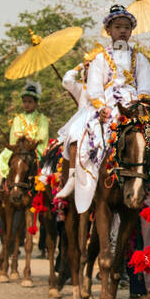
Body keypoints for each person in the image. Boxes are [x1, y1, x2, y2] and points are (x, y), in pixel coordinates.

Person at [68, 6, 150, 213]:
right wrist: (102, 108)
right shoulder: (99, 58)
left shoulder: (140, 58)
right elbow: (95, 89)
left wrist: (140, 105)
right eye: (118, 27)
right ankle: (78, 178)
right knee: (76, 132)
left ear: (131, 31)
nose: (122, 31)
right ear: (109, 30)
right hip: (105, 104)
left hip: (134, 105)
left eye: (126, 27)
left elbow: (146, 87)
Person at [0, 80, 50, 180]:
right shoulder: (17, 119)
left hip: (35, 146)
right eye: (24, 102)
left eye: (30, 102)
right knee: (4, 155)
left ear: (36, 103)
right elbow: (15, 134)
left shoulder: (42, 118)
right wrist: (22, 141)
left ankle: (44, 179)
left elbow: (43, 133)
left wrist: (34, 141)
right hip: (20, 146)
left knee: (46, 158)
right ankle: (3, 180)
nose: (26, 104)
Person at [53, 61, 92, 200]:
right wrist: (80, 66)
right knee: (74, 133)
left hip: (102, 119)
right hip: (82, 123)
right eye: (88, 68)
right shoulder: (81, 88)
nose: (91, 70)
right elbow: (67, 81)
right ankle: (72, 177)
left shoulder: (109, 88)